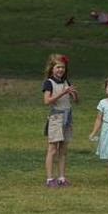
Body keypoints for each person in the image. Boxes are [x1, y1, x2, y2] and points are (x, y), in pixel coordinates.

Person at [41, 53, 77, 187]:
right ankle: (50, 179)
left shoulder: (67, 82)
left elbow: (75, 101)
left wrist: (74, 94)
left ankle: (62, 177)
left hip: (68, 118)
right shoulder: (48, 83)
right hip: (56, 118)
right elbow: (47, 101)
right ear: (52, 68)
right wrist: (63, 92)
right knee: (52, 149)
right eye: (57, 67)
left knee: (63, 150)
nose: (60, 70)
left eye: (62, 67)